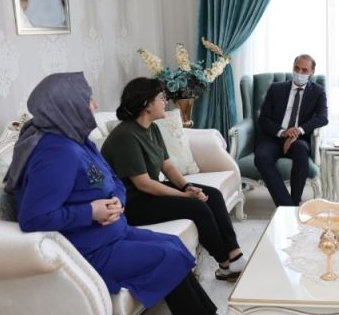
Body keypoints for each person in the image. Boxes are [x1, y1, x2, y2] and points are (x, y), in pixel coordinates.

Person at [6, 72, 227, 315]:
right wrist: (90, 211)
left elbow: (114, 180)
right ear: (67, 105)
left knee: (173, 244)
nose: (96, 105)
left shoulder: (79, 141)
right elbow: (33, 218)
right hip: (88, 249)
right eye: (89, 100)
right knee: (166, 255)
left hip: (113, 233)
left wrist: (118, 200)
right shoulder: (55, 153)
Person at [101, 78, 247, 282]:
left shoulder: (152, 128)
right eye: (161, 98)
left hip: (149, 192)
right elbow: (143, 184)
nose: (166, 102)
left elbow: (167, 166)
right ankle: (224, 264)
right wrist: (184, 196)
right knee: (197, 207)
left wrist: (188, 186)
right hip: (132, 203)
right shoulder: (125, 136)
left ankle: (235, 255)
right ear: (146, 104)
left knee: (212, 194)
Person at [254, 54, 328, 206]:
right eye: (297, 68)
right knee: (261, 157)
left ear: (312, 72)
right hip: (273, 137)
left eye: (304, 70)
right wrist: (283, 132)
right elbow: (263, 119)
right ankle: (289, 206)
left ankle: (295, 200)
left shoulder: (318, 91)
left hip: (298, 139)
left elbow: (323, 117)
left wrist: (298, 131)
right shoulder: (276, 88)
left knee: (301, 152)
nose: (299, 73)